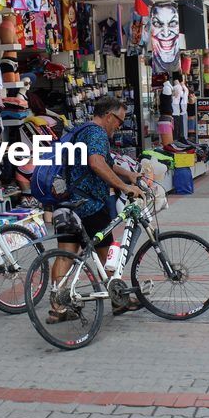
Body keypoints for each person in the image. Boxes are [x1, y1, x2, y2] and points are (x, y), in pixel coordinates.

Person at [48, 95, 144, 322]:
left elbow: (104, 159)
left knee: (66, 254)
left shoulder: (82, 130)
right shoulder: (98, 133)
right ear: (109, 116)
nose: (119, 126)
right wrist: (124, 187)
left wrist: (127, 173)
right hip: (90, 204)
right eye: (119, 121)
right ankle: (119, 300)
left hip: (67, 203)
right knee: (107, 252)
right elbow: (96, 162)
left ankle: (57, 308)